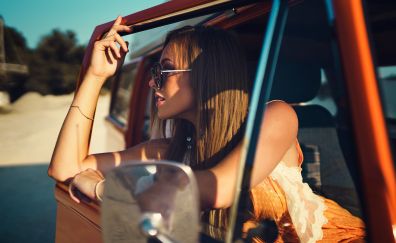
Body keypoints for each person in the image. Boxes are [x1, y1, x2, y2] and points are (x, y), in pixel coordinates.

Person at [48, 16, 365, 242]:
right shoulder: (165, 150)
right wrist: (94, 75)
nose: (151, 81)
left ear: (206, 73)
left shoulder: (276, 117)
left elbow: (219, 189)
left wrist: (102, 189)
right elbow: (65, 168)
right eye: (154, 70)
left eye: (165, 70)